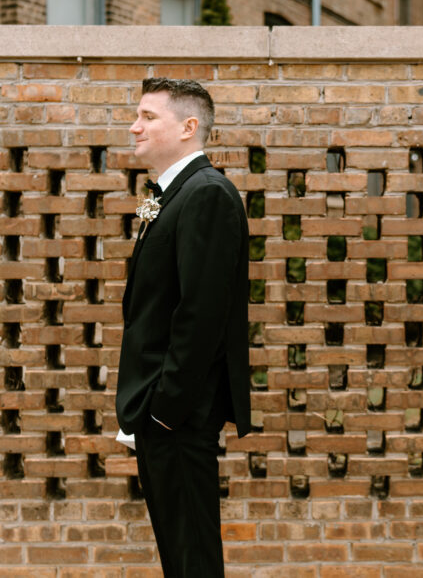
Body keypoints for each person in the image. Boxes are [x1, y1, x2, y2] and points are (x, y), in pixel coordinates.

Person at [115, 78, 251, 577]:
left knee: (191, 556)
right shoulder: (177, 193)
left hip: (178, 415)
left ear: (189, 127)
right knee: (181, 554)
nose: (135, 126)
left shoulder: (207, 194)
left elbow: (202, 314)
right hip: (163, 413)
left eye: (149, 116)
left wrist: (164, 411)